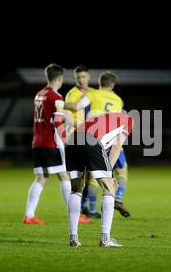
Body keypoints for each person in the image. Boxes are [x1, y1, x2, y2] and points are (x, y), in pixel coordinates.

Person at [23, 64, 91, 224]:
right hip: (51, 143)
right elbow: (58, 121)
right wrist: (65, 139)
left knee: (42, 177)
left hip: (37, 142)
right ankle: (75, 214)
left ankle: (29, 215)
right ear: (60, 78)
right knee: (64, 176)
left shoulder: (39, 94)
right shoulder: (57, 97)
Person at [66, 71, 131, 217]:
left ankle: (90, 207)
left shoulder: (92, 94)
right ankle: (118, 199)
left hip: (95, 139)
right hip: (115, 140)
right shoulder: (118, 100)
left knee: (93, 177)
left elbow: (77, 106)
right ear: (113, 84)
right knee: (122, 172)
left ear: (99, 82)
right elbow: (121, 122)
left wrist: (59, 104)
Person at [65, 112, 134, 247]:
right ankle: (105, 239)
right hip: (91, 141)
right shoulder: (128, 120)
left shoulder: (101, 117)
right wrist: (109, 176)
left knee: (75, 189)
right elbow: (117, 148)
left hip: (72, 141)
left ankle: (73, 238)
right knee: (109, 188)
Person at [64, 65, 98, 219]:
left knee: (92, 173)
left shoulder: (93, 94)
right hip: (76, 136)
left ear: (89, 77)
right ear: (74, 78)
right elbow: (66, 113)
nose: (81, 80)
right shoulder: (72, 94)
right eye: (78, 77)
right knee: (80, 176)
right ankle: (81, 209)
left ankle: (88, 208)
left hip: (91, 135)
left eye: (83, 77)